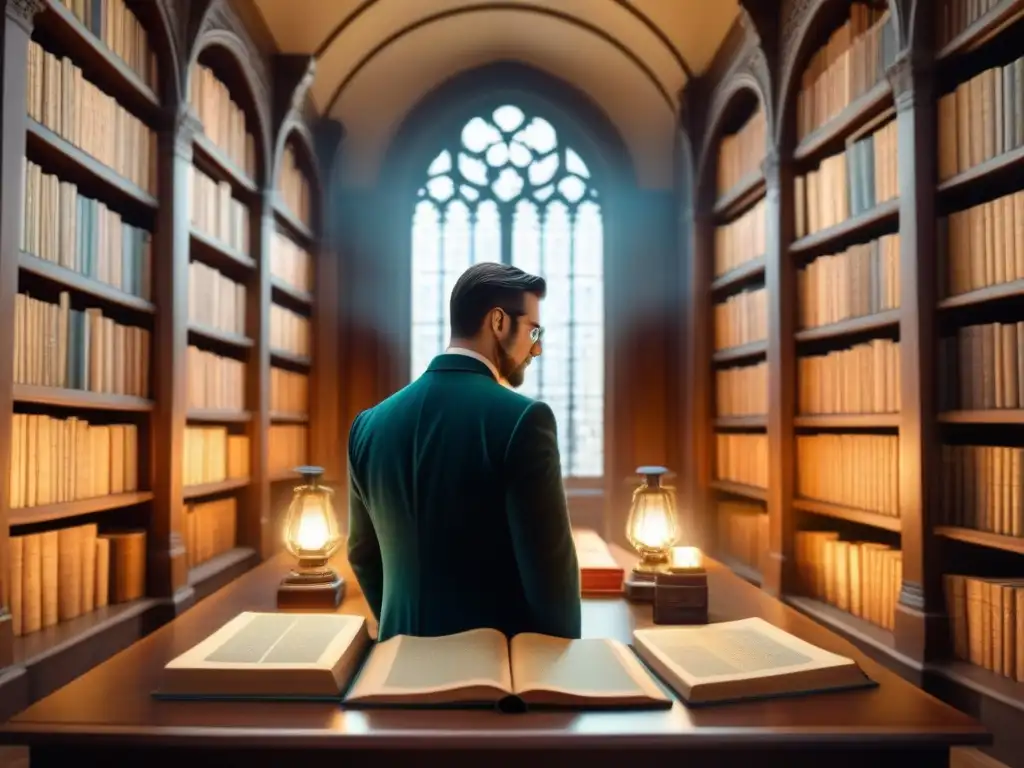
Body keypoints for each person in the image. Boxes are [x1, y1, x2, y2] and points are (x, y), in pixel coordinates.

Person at [346, 262, 581, 642]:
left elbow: (361, 552)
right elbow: (549, 578)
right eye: (533, 331)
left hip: (397, 668)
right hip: (497, 675)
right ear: (499, 322)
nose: (537, 347)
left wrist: (401, 633)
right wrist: (559, 671)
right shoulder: (524, 418)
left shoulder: (368, 425)